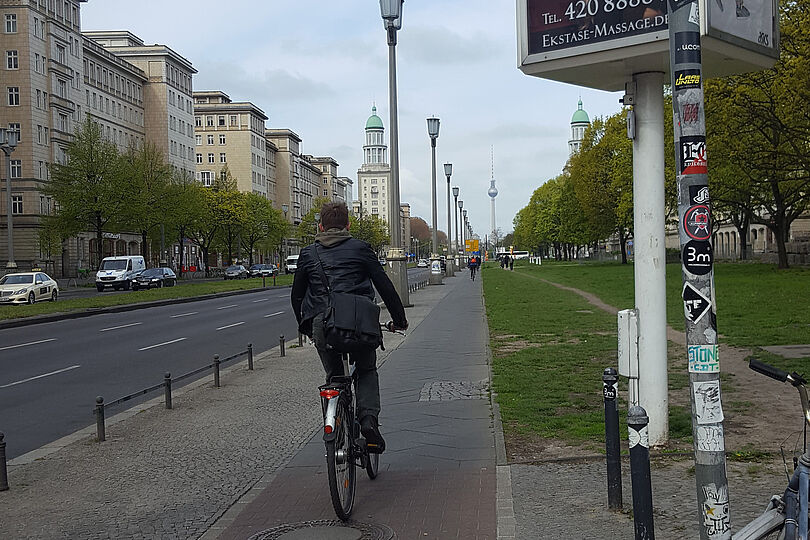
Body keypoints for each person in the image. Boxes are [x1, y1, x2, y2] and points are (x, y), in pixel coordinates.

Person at [291, 202, 408, 453]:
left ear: (320, 226)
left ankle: (334, 419)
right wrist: (399, 320)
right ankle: (368, 421)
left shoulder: (308, 254)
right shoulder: (361, 249)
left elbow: (296, 296)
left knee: (334, 377)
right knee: (366, 370)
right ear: (348, 225)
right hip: (359, 324)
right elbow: (385, 286)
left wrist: (306, 327)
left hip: (323, 324)